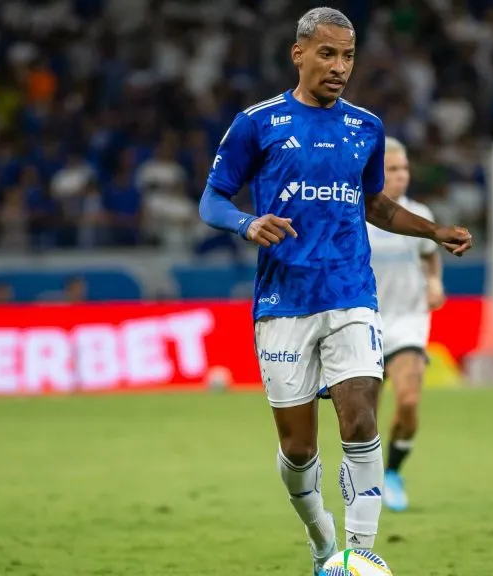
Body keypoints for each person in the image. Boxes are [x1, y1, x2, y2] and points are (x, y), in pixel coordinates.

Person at [198, 7, 473, 574]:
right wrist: (247, 223)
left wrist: (433, 230)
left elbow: (375, 204)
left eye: (348, 56)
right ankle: (325, 544)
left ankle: (362, 553)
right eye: (327, 53)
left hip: (350, 293)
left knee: (359, 418)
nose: (339, 67)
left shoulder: (365, 127)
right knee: (299, 449)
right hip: (283, 302)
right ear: (298, 53)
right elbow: (212, 200)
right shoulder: (258, 123)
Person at [365, 137, 445, 513]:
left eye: (405, 169)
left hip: (409, 320)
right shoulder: (357, 215)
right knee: (365, 418)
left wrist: (434, 281)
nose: (401, 176)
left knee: (409, 402)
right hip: (363, 321)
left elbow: (430, 255)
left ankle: (393, 473)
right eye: (392, 170)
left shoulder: (418, 212)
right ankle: (366, 483)